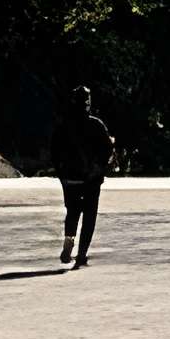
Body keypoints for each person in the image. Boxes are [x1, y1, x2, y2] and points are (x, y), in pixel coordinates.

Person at [52, 86, 115, 266]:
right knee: (89, 216)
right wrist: (100, 168)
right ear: (88, 103)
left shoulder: (63, 126)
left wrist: (61, 175)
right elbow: (108, 150)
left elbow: (55, 153)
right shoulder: (96, 124)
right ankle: (81, 254)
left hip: (70, 179)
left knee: (72, 211)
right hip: (91, 179)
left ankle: (69, 240)